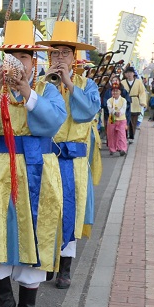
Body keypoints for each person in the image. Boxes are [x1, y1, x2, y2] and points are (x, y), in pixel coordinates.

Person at [0, 17, 63, 307]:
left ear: (34, 61)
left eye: (23, 56)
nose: (16, 62)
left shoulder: (46, 91)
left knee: (32, 234)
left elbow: (52, 123)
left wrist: (27, 91)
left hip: (35, 170)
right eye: (10, 55)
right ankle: (4, 299)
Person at [44, 20, 101, 288]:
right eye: (55, 53)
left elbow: (86, 112)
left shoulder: (87, 85)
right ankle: (46, 261)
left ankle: (65, 266)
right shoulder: (41, 84)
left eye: (65, 53)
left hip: (74, 161)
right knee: (47, 211)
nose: (59, 58)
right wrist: (51, 85)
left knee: (71, 211)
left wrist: (68, 82)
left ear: (74, 56)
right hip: (47, 158)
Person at [105, 80, 129, 156]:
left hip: (121, 119)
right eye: (113, 91)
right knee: (111, 134)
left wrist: (120, 113)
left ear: (120, 92)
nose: (115, 93)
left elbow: (123, 108)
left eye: (116, 91)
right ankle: (112, 148)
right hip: (112, 118)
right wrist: (114, 112)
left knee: (121, 134)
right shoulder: (109, 100)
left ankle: (122, 148)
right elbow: (109, 108)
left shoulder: (123, 100)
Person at [123, 66, 147, 140]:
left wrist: (142, 102)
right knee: (125, 120)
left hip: (135, 102)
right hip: (125, 103)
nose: (129, 74)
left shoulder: (138, 82)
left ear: (134, 73)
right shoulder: (122, 82)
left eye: (131, 72)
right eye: (127, 73)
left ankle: (132, 136)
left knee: (133, 121)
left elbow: (142, 92)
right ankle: (125, 136)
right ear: (125, 74)